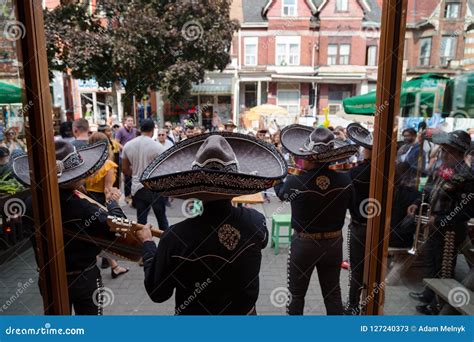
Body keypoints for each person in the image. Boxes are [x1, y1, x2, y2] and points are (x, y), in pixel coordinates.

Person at [137, 132, 287, 314]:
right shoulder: (257, 222)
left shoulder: (175, 237)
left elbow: (157, 292)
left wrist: (148, 245)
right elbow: (261, 242)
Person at [16, 140, 125, 315]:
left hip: (48, 277)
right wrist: (112, 203)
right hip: (83, 277)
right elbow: (119, 228)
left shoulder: (31, 203)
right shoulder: (82, 207)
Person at [275, 124, 358, 315]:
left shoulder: (296, 181)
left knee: (296, 295)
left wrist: (279, 176)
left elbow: (281, 194)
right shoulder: (345, 180)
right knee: (332, 293)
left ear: (309, 156)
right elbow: (353, 207)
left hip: (304, 244)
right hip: (334, 243)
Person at [408, 130, 474, 315]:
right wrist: (416, 203)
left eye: (446, 150)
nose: (442, 153)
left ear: (458, 152)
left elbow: (466, 210)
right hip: (435, 223)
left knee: (444, 267)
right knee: (432, 260)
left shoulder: (467, 176)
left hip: (450, 229)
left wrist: (440, 219)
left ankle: (439, 305)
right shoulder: (444, 168)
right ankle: (429, 295)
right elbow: (430, 188)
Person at [85, 132, 129, 279]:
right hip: (101, 200)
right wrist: (113, 206)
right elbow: (108, 191)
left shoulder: (86, 162)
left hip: (88, 200)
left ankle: (111, 264)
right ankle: (114, 266)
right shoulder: (108, 165)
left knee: (94, 233)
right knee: (107, 234)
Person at [344, 123, 373, 315]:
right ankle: (369, 304)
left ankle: (353, 305)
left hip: (359, 226)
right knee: (374, 268)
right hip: (379, 227)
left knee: (356, 269)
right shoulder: (387, 171)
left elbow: (346, 199)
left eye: (364, 148)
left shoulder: (355, 173)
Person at [122, 119, 168, 229]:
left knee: (141, 221)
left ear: (140, 129)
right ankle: (165, 243)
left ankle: (142, 243)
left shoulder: (128, 145)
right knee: (161, 218)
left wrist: (136, 173)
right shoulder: (158, 147)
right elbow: (164, 169)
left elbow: (124, 169)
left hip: (138, 187)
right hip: (155, 187)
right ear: (153, 130)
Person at [390, 127, 425, 247]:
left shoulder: (419, 150)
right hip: (405, 182)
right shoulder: (405, 148)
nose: (406, 138)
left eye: (408, 135)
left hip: (411, 183)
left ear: (415, 136)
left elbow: (420, 169)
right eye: (404, 135)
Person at [115, 115, 137, 202]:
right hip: (123, 156)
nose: (130, 122)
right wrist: (125, 148)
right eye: (129, 121)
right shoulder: (120, 130)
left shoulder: (134, 130)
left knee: (132, 176)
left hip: (132, 156)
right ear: (125, 122)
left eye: (132, 121)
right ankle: (127, 195)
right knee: (127, 176)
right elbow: (116, 142)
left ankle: (132, 194)